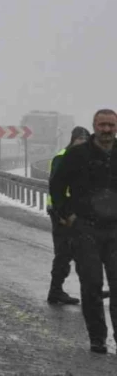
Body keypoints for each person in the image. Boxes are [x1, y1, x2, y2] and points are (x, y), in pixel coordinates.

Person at [50, 109, 117, 353]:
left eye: (111, 125)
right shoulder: (77, 154)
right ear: (94, 126)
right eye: (102, 125)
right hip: (85, 228)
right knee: (92, 284)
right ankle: (97, 338)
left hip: (115, 230)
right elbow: (57, 185)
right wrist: (67, 215)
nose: (107, 130)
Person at [46, 126, 91, 305]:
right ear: (73, 140)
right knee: (64, 253)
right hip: (61, 213)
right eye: (80, 139)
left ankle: (90, 291)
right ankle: (55, 291)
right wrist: (62, 213)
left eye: (86, 140)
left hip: (78, 213)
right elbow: (56, 187)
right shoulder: (62, 157)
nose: (83, 143)